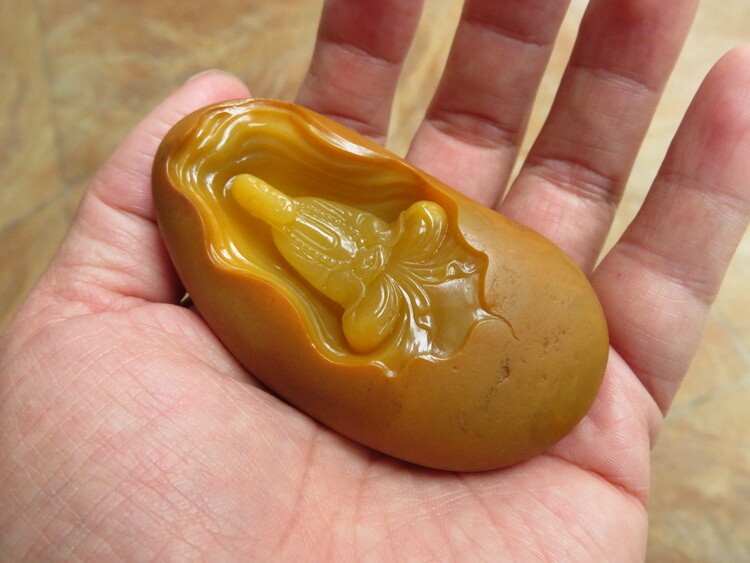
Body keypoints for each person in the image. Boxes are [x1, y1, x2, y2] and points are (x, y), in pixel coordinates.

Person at [1, 1, 748, 559]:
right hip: (369, 275)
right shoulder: (361, 273)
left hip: (386, 274)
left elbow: (412, 237)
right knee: (310, 253)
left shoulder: (407, 267)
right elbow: (396, 257)